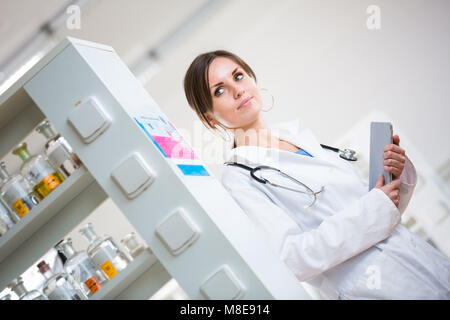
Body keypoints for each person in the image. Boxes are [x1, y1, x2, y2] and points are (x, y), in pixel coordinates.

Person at [183, 50, 450, 300]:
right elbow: (291, 258)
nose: (237, 90)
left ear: (252, 78)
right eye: (220, 91)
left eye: (238, 76)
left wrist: (397, 175)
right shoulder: (239, 178)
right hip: (372, 287)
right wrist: (373, 208)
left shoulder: (301, 139)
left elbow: (382, 210)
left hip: (424, 261)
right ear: (210, 119)